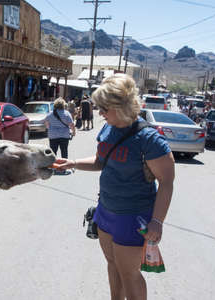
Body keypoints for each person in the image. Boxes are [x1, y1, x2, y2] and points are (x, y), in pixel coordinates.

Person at [54, 74, 175, 300]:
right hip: (105, 212)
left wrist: (157, 222)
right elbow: (101, 161)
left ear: (121, 107)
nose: (100, 113)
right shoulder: (108, 130)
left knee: (129, 274)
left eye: (104, 108)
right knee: (112, 265)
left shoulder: (148, 139)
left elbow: (167, 182)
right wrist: (73, 163)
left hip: (133, 217)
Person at [45, 97, 76, 166]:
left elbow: (46, 124)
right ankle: (64, 166)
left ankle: (54, 165)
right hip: (64, 135)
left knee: (53, 152)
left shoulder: (50, 114)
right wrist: (74, 132)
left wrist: (50, 129)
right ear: (63, 105)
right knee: (64, 151)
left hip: (53, 136)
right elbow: (71, 125)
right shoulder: (67, 113)